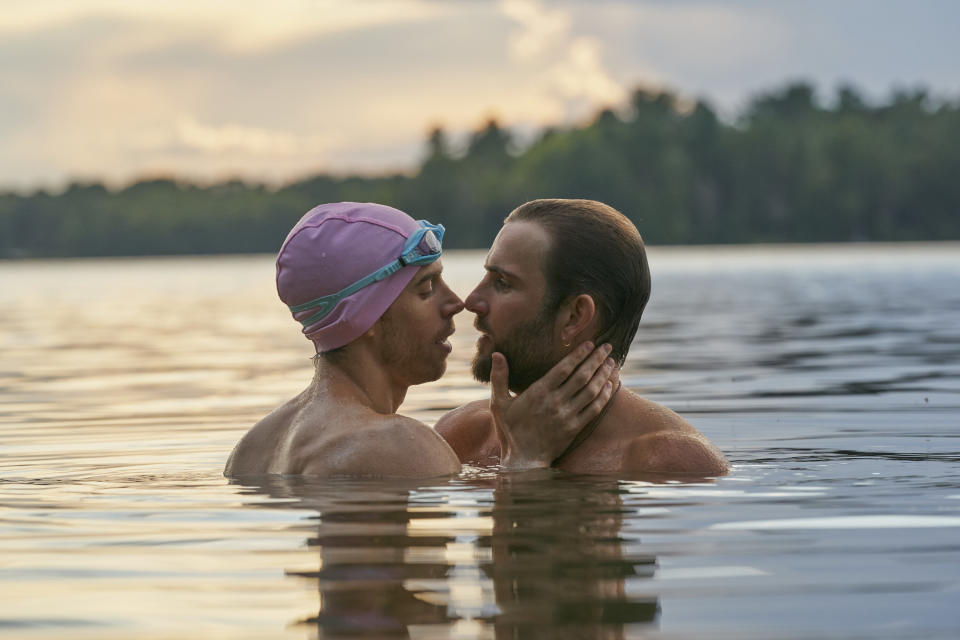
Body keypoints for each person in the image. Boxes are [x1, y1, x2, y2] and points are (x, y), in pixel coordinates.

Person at [225, 202, 615, 478]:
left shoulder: (252, 449)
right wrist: (526, 461)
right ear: (368, 316)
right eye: (427, 288)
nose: (457, 303)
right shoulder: (398, 447)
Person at [436, 199, 729, 476]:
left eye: (502, 283)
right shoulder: (459, 435)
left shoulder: (667, 461)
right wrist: (521, 461)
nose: (471, 300)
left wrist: (526, 464)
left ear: (575, 316)